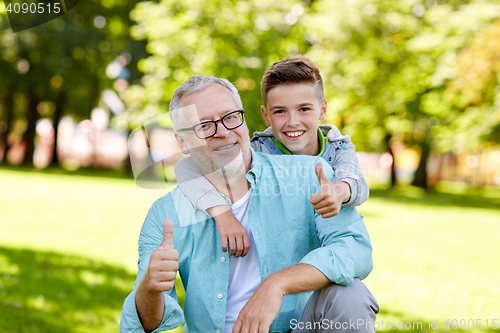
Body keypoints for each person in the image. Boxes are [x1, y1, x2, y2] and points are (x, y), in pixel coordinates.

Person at [121, 75, 378, 333]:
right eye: (204, 126)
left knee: (350, 294)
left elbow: (355, 249)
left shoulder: (310, 175)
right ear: (182, 142)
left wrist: (278, 284)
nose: (222, 132)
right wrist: (151, 289)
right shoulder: (166, 213)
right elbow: (144, 324)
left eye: (230, 117)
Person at [174, 56, 368, 258]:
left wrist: (340, 190)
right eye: (280, 111)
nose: (293, 122)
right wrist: (222, 213)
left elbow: (355, 180)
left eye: (304, 109)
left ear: (323, 110)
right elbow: (186, 168)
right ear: (266, 115)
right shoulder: (259, 149)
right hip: (282, 255)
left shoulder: (337, 148)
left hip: (326, 252)